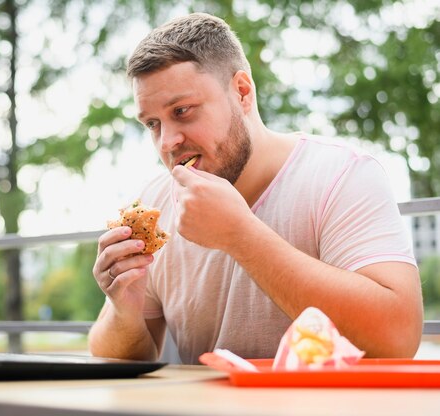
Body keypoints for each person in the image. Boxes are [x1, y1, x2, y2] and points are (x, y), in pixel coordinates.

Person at [88, 12, 423, 364]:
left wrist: (241, 236)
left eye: (183, 111)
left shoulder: (342, 175)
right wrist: (123, 308)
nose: (168, 142)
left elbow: (398, 337)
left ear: (242, 92)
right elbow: (120, 357)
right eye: (153, 124)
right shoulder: (157, 202)